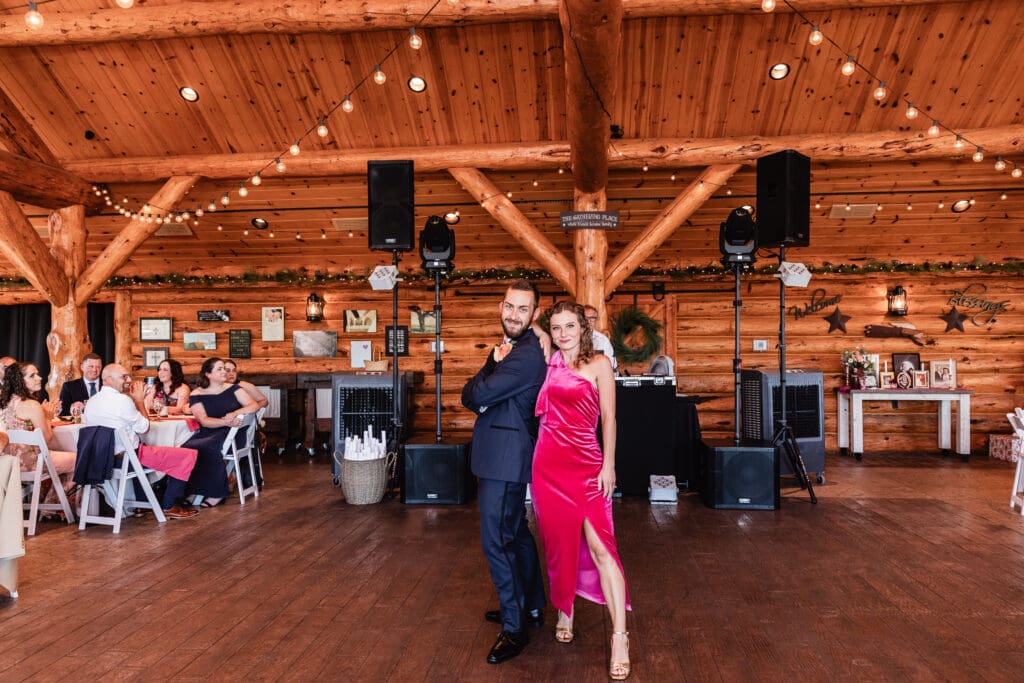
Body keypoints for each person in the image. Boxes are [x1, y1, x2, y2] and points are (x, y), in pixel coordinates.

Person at [533, 301, 632, 680]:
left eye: (569, 326)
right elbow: (533, 331)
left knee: (602, 548)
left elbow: (609, 417)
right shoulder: (550, 359)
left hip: (587, 466)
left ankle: (619, 637)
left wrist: (608, 465)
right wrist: (540, 328)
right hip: (548, 466)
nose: (563, 334)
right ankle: (565, 608)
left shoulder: (600, 364)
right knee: (558, 543)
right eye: (556, 328)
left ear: (583, 328)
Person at [461, 279, 548, 665]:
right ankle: (529, 606)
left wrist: (491, 369)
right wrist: (492, 369)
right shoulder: (515, 349)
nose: (514, 315)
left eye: (523, 309)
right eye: (510, 307)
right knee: (515, 533)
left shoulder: (526, 354)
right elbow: (477, 394)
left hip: (505, 456)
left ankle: (515, 629)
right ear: (501, 307)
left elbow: (475, 395)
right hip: (504, 453)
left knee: (498, 541)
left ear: (535, 314)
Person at [83, 364, 198, 519]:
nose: (129, 380)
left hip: (100, 460)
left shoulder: (92, 401)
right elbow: (145, 428)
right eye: (124, 377)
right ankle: (169, 505)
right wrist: (138, 401)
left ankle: (142, 505)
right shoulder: (122, 401)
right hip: (126, 460)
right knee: (186, 455)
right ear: (108, 380)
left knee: (137, 449)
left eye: (128, 376)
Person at [183, 357, 260, 507]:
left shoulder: (234, 389)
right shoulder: (196, 394)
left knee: (208, 447)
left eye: (224, 368)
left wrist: (235, 413)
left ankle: (216, 493)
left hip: (234, 434)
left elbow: (254, 405)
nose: (224, 371)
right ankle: (193, 490)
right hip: (209, 430)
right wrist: (224, 421)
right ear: (208, 374)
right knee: (187, 447)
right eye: (220, 369)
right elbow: (204, 420)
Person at [0, 362, 76, 500]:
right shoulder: (32, 405)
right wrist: (47, 417)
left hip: (9, 461)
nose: (39, 378)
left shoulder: (4, 403)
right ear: (19, 380)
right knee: (79, 459)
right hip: (31, 463)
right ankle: (52, 505)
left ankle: (50, 505)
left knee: (65, 457)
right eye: (32, 375)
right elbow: (47, 441)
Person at [58, 353, 103, 417]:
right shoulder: (69, 387)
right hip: (79, 426)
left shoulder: (108, 386)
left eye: (98, 367)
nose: (94, 370)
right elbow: (62, 411)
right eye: (91, 366)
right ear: (82, 367)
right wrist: (73, 410)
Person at [583, 305, 618, 374]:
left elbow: (612, 365)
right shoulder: (572, 338)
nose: (589, 321)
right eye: (585, 318)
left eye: (592, 318)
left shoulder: (603, 340)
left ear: (596, 319)